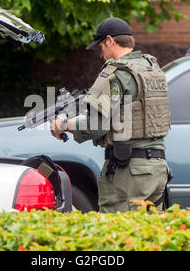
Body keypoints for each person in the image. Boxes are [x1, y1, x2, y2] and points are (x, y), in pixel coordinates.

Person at [50, 17, 171, 213]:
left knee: (120, 236)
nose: (101, 54)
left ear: (109, 40)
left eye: (100, 47)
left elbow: (96, 127)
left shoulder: (114, 73)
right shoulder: (152, 68)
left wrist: (63, 124)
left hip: (129, 174)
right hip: (157, 169)